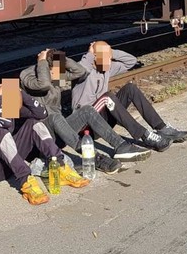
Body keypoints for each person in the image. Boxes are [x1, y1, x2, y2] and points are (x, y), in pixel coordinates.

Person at [19, 49, 150, 174]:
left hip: (58, 132)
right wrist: (42, 61)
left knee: (86, 111)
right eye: (55, 69)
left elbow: (81, 72)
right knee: (55, 117)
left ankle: (121, 146)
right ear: (45, 68)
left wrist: (60, 57)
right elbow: (44, 84)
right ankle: (95, 158)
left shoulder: (56, 75)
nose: (60, 74)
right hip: (40, 136)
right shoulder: (27, 75)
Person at [0, 80, 90, 205]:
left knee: (33, 124)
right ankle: (26, 182)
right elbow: (5, 122)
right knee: (0, 132)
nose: (16, 111)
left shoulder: (10, 100)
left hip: (7, 167)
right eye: (13, 107)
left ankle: (60, 166)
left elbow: (41, 113)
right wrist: (1, 100)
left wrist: (22, 94)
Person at [74, 41, 187, 152]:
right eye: (106, 58)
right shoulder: (83, 72)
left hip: (103, 120)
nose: (109, 62)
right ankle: (145, 135)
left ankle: (162, 128)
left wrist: (110, 52)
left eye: (110, 58)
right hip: (86, 126)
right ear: (95, 57)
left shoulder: (106, 68)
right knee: (107, 97)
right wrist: (89, 54)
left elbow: (131, 61)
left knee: (130, 88)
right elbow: (81, 68)